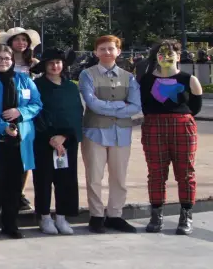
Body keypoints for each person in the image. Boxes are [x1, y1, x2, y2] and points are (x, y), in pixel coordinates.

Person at [0, 44, 42, 240]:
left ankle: (10, 224)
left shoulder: (24, 79)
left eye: (7, 58)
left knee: (14, 185)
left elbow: (36, 104)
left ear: (12, 60)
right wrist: (1, 125)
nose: (3, 62)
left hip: (19, 140)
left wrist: (20, 112)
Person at [78, 35, 141, 234]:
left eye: (111, 48)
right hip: (94, 132)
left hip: (121, 133)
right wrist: (119, 106)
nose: (107, 52)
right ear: (96, 52)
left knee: (119, 177)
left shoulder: (128, 77)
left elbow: (136, 106)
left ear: (118, 51)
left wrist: (108, 107)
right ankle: (96, 215)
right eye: (102, 49)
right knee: (94, 177)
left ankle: (115, 214)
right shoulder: (87, 75)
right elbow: (92, 103)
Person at [140, 40, 203, 235]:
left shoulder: (188, 79)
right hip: (154, 127)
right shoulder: (146, 80)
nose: (166, 57)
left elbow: (196, 107)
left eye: (170, 54)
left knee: (185, 172)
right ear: (156, 56)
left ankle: (186, 215)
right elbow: (143, 104)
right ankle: (156, 214)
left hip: (183, 127)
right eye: (162, 53)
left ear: (178, 55)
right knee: (156, 172)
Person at [31, 48, 82, 236]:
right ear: (44, 65)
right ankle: (44, 216)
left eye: (58, 62)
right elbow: (36, 112)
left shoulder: (71, 87)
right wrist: (51, 137)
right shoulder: (36, 85)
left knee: (66, 179)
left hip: (67, 141)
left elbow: (77, 113)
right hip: (44, 140)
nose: (55, 66)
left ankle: (62, 216)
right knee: (43, 179)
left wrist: (66, 137)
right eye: (51, 63)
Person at [0, 27, 40, 211]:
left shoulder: (34, 64)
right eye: (17, 39)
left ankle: (19, 193)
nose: (21, 43)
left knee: (25, 154)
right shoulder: (4, 61)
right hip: (3, 113)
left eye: (24, 40)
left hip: (27, 112)